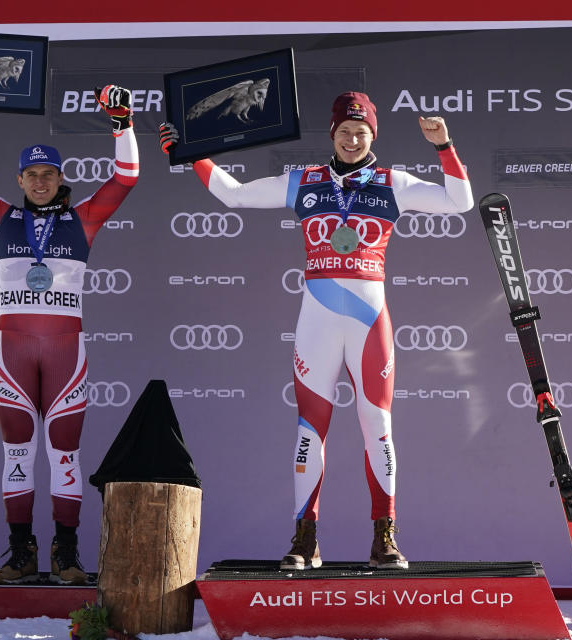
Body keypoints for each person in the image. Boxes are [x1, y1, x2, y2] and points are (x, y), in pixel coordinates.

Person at [159, 91, 473, 570]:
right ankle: (305, 537)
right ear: (332, 133)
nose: (352, 140)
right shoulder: (303, 181)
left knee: (379, 428)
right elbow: (235, 194)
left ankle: (384, 536)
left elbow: (460, 202)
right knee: (310, 431)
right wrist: (189, 154)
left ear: (373, 135)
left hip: (370, 323)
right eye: (344, 132)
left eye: (361, 132)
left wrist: (443, 145)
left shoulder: (394, 182)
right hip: (317, 320)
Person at [0, 76, 140, 584]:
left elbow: (126, 178)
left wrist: (122, 125)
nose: (40, 181)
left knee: (65, 456)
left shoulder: (82, 220)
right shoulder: (0, 219)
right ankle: (21, 553)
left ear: (60, 177)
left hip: (68, 358)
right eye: (32, 174)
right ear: (20, 180)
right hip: (13, 356)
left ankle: (66, 556)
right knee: (17, 453)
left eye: (48, 173)